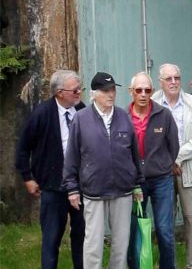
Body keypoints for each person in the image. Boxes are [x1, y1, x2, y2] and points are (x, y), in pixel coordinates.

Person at [63, 72, 144, 269]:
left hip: (123, 190)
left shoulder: (124, 116)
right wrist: (72, 188)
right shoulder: (81, 119)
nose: (111, 95)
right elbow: (72, 155)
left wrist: (137, 185)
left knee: (121, 243)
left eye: (113, 90)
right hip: (94, 190)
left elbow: (134, 154)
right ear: (94, 94)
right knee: (93, 243)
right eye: (106, 91)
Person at [16, 69, 86, 269]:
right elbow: (23, 147)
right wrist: (27, 177)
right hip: (52, 185)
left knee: (81, 236)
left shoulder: (82, 110)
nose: (78, 93)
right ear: (59, 93)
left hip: (80, 185)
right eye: (74, 90)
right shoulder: (42, 113)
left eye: (79, 89)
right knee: (51, 238)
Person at [152, 63, 192, 269]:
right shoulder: (152, 103)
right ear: (160, 81)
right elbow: (149, 140)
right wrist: (169, 161)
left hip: (191, 170)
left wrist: (177, 158)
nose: (174, 82)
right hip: (162, 173)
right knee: (164, 224)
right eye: (169, 79)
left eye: (176, 77)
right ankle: (168, 265)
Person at [127, 71, 181, 269]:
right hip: (134, 184)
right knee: (135, 230)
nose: (143, 94)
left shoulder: (163, 114)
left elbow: (173, 145)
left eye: (147, 90)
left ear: (153, 91)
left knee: (165, 231)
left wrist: (165, 165)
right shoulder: (123, 116)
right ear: (131, 91)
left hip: (161, 180)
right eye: (138, 90)